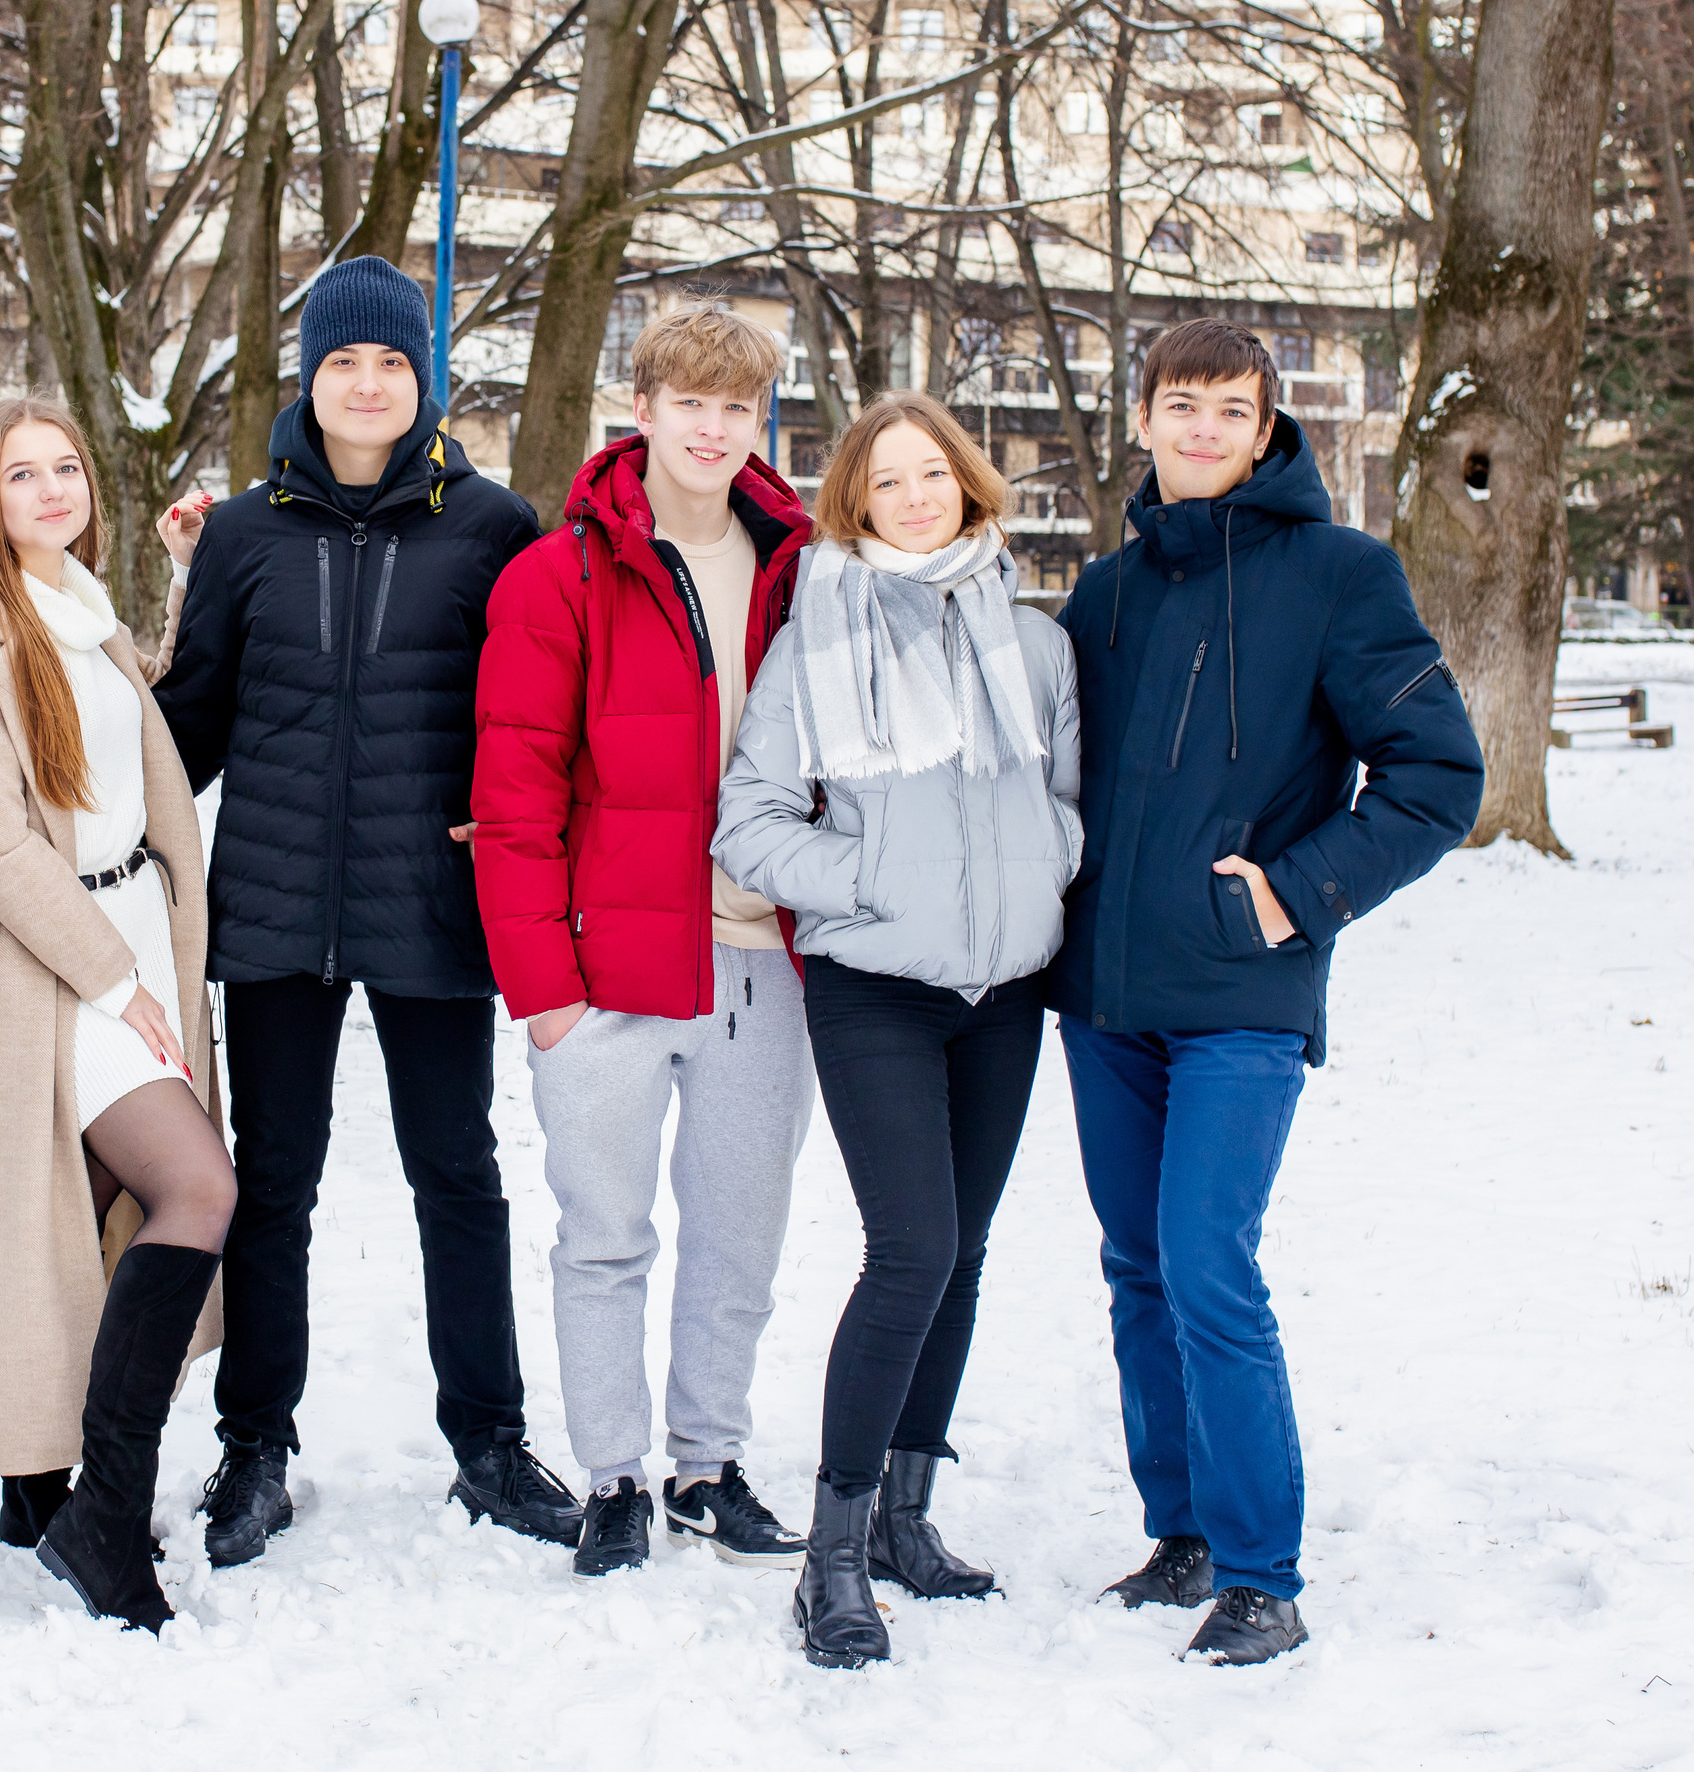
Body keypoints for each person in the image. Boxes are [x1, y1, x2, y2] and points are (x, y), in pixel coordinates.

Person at [1048, 319, 1482, 1666]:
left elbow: (1437, 776)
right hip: (1107, 997)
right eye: (1180, 406)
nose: (1202, 431)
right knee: (1136, 1270)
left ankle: (1261, 1576)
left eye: (1229, 411)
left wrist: (1294, 892)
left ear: (1265, 424)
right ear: (1143, 419)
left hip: (1244, 990)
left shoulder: (1341, 576)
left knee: (1206, 1260)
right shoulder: (1105, 594)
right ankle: (1178, 1535)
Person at [150, 255, 579, 1565]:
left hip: (431, 900)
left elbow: (531, 709)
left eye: (394, 363)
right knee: (272, 1183)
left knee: (457, 1171)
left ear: (423, 381)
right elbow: (192, 724)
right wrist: (78, 742)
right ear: (311, 375)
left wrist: (522, 828)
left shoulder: (491, 525)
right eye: (346, 361)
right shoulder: (240, 534)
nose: (369, 383)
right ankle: (256, 1445)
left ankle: (491, 1443)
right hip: (277, 901)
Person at [715, 391, 1081, 1669]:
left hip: (1005, 990)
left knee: (964, 1251)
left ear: (968, 484)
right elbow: (747, 822)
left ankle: (904, 1522)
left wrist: (1037, 877)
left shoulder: (1033, 646)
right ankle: (830, 1556)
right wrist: (865, 886)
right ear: (853, 503)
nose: (915, 497)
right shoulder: (813, 642)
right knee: (910, 1248)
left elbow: (1063, 803)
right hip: (877, 979)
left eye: (934, 473)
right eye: (887, 482)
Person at [472, 302, 818, 1579]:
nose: (713, 428)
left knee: (739, 1235)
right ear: (644, 410)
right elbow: (510, 799)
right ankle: (614, 1474)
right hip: (603, 972)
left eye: (736, 407)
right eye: (691, 403)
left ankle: (706, 1466)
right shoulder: (559, 574)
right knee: (604, 1235)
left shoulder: (803, 565)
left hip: (758, 964)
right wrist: (544, 989)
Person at [0, 394, 234, 1635]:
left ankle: (47, 1492)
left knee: (102, 1216)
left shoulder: (89, 618)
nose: (52, 490)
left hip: (137, 935)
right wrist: (117, 979)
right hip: (55, 970)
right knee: (195, 1190)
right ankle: (104, 1509)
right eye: (20, 476)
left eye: (66, 468)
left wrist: (190, 579)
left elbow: (125, 762)